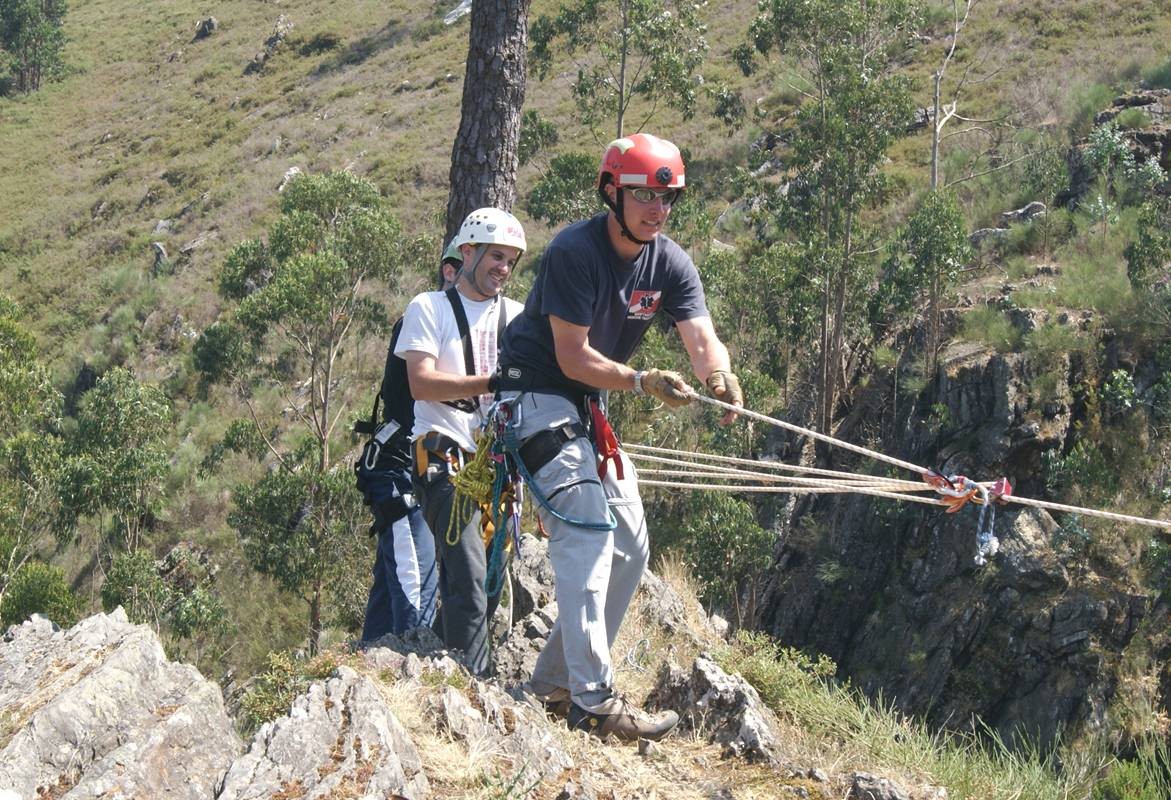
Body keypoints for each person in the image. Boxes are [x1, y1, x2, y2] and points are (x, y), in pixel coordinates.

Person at [497, 133, 744, 741]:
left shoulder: (670, 262)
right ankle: (592, 700)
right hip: (534, 393)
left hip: (587, 404)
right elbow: (572, 355)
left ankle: (553, 685)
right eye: (643, 196)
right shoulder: (573, 252)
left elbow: (700, 334)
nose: (656, 210)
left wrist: (718, 374)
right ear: (613, 192)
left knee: (631, 544)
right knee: (585, 526)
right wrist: (639, 379)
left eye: (666, 199)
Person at [396, 208, 527, 676]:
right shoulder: (428, 308)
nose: (503, 269)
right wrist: (489, 381)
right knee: (470, 574)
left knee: (488, 583)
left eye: (511, 261)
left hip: (495, 464)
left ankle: (440, 665)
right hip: (441, 450)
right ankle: (475, 685)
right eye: (495, 256)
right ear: (466, 252)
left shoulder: (518, 316)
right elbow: (422, 383)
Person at [359, 242, 463, 642]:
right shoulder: (422, 321)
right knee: (416, 580)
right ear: (448, 271)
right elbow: (420, 394)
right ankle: (412, 673)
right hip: (402, 468)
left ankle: (373, 661)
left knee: (395, 581)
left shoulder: (446, 323)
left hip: (413, 464)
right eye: (455, 268)